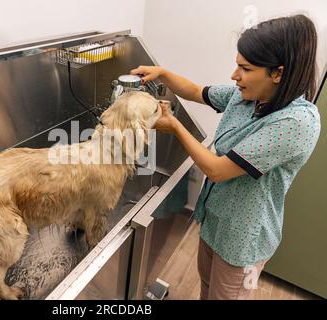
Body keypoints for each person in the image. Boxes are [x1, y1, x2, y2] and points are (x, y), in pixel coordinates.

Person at [131, 14, 321, 300]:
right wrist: (162, 73)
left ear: (278, 73)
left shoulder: (296, 122)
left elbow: (217, 170)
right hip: (216, 222)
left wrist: (174, 126)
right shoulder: (248, 97)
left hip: (245, 243)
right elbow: (196, 91)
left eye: (244, 68)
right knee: (208, 289)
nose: (235, 76)